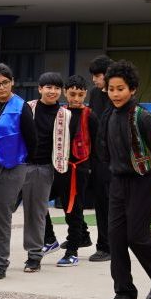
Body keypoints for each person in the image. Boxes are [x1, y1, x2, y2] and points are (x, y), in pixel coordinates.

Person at [99, 60, 151, 299]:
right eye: (111, 89)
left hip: (144, 183)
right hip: (118, 184)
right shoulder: (108, 115)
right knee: (116, 238)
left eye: (120, 89)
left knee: (137, 237)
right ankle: (124, 292)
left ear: (132, 89)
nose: (115, 94)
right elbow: (104, 150)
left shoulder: (144, 118)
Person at [0, 63, 35, 280]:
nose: (1, 88)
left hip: (12, 166)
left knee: (1, 214)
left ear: (12, 82)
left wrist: (23, 164)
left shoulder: (21, 107)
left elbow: (32, 140)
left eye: (5, 83)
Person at [22, 72, 73, 272]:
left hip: (43, 167)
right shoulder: (27, 108)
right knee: (1, 209)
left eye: (56, 88)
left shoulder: (64, 114)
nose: (52, 91)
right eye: (48, 87)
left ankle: (34, 256)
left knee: (36, 213)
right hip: (18, 165)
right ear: (40, 88)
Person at [54, 75, 98, 267]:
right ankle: (81, 235)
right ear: (65, 92)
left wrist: (91, 170)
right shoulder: (60, 113)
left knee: (75, 207)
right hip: (60, 166)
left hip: (80, 167)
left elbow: (97, 145)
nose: (76, 98)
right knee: (65, 205)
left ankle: (72, 251)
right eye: (72, 94)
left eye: (80, 94)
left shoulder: (90, 115)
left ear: (85, 94)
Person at [86, 55, 113, 262]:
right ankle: (103, 245)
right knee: (101, 203)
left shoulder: (119, 95)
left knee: (113, 204)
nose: (94, 80)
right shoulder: (95, 94)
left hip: (115, 159)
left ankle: (111, 246)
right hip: (96, 157)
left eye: (97, 76)